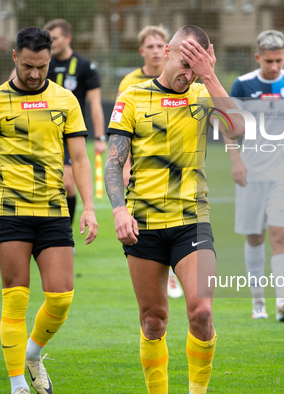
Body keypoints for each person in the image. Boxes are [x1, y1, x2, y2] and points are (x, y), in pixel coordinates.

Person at [104, 25, 243, 394]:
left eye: (195, 67)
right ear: (167, 51)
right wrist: (119, 210)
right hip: (143, 224)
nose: (188, 74)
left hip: (191, 221)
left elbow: (238, 130)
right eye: (184, 63)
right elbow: (113, 163)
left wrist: (210, 77)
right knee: (154, 321)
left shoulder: (202, 94)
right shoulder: (132, 97)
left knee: (201, 311)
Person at [0, 27, 98, 394]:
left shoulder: (65, 100)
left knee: (61, 297)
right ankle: (18, 386)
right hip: (9, 208)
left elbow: (78, 158)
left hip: (54, 208)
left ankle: (32, 352)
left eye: (42, 66)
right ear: (14, 57)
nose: (34, 74)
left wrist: (88, 208)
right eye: (28, 65)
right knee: (15, 295)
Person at [223, 30, 284, 321]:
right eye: (268, 61)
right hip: (251, 171)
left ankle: (282, 303)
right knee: (254, 237)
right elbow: (229, 126)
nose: (274, 66)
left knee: (281, 235)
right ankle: (258, 302)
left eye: (279, 60)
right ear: (257, 57)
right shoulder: (243, 84)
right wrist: (235, 160)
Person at [10, 19, 106, 229]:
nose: (51, 42)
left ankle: (66, 231)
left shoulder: (84, 66)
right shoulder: (40, 62)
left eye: (55, 39)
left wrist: (100, 137)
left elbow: (95, 104)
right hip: (38, 134)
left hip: (69, 135)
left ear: (68, 38)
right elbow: (12, 85)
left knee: (68, 185)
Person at [116, 25, 183, 299]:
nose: (155, 51)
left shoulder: (184, 82)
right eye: (150, 47)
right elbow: (122, 131)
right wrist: (125, 166)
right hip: (141, 167)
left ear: (167, 50)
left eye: (160, 46)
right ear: (142, 51)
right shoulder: (130, 84)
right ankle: (160, 271)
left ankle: (175, 269)